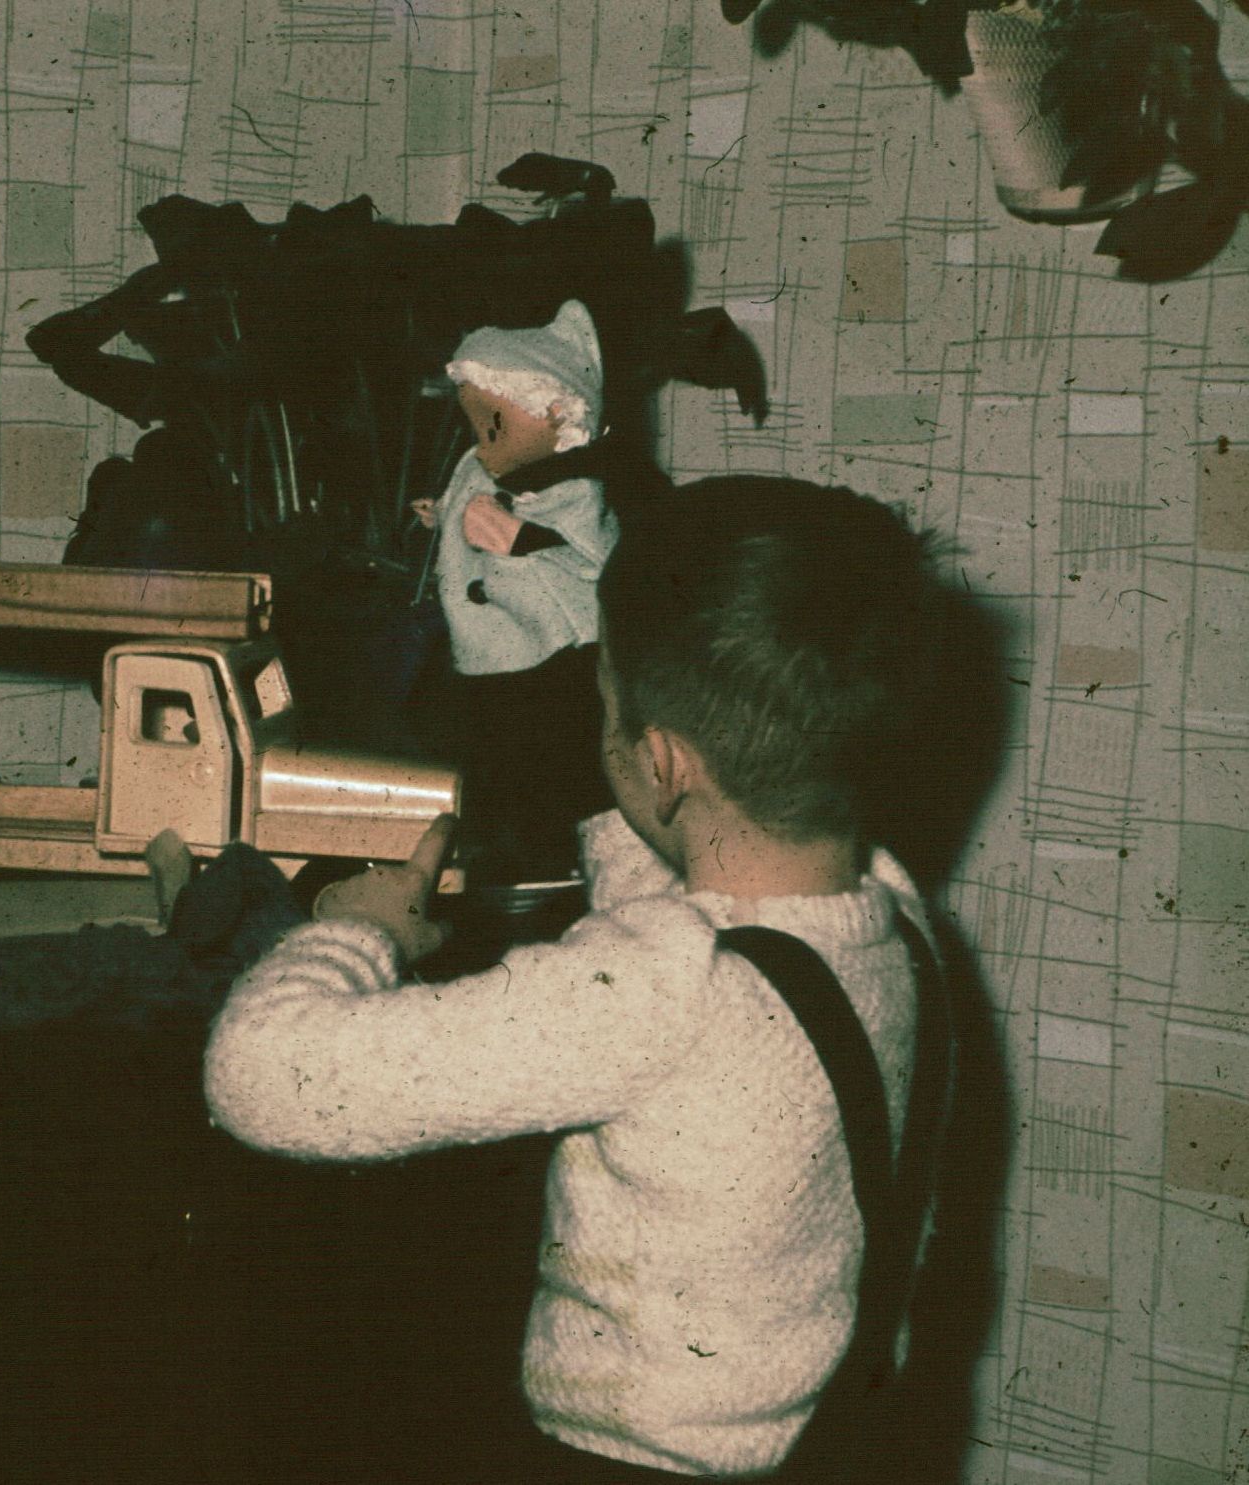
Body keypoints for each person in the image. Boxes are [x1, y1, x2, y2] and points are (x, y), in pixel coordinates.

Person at [205, 477, 953, 1480]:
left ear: (664, 762)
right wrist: (605, 789)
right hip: (824, 1445)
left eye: (605, 704)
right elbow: (690, 916)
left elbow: (259, 1076)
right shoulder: (892, 914)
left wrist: (359, 930)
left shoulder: (660, 995)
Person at [409, 299, 622, 877]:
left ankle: (546, 855)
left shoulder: (576, 486)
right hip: (486, 645)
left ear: (557, 412)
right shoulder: (476, 465)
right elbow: (462, 497)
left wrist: (522, 538)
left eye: (493, 427)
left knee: (547, 750)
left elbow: (598, 556)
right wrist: (440, 513)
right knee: (490, 744)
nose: (482, 444)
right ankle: (499, 841)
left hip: (549, 647)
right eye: (475, 428)